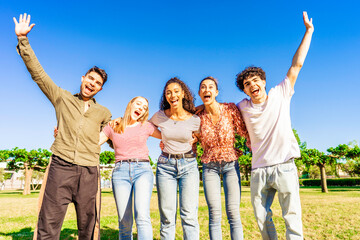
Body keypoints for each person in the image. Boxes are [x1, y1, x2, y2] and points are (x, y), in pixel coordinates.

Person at [14, 14, 112, 240]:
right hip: (61, 165)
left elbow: (114, 139)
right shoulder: (62, 98)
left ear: (100, 89)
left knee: (89, 227)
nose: (92, 84)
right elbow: (38, 75)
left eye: (97, 83)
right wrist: (23, 40)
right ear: (83, 77)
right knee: (49, 223)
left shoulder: (104, 113)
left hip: (89, 170)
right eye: (90, 79)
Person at [236, 12, 314, 240]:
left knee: (292, 215)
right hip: (259, 168)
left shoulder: (280, 93)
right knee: (261, 216)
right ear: (244, 90)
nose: (252, 85)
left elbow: (297, 64)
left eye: (255, 81)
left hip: (285, 166)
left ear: (264, 81)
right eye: (247, 84)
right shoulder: (242, 106)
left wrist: (308, 31)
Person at [99, 96, 161, 240]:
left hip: (143, 170)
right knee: (124, 220)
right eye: (138, 104)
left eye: (144, 107)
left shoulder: (146, 126)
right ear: (130, 104)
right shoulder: (113, 125)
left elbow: (168, 135)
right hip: (120, 172)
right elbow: (93, 142)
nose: (141, 108)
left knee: (142, 215)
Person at [197, 76, 250, 240]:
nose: (207, 90)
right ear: (200, 93)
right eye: (203, 87)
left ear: (216, 91)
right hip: (209, 167)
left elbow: (245, 132)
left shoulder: (230, 109)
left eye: (210, 87)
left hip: (231, 165)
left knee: (233, 212)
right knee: (214, 213)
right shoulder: (197, 116)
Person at [150, 77, 200, 240]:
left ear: (183, 94)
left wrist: (196, 139)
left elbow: (198, 137)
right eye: (168, 93)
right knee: (167, 216)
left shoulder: (194, 119)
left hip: (189, 166)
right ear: (165, 96)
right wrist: (162, 138)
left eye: (176, 91)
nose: (172, 95)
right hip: (165, 167)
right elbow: (146, 128)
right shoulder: (160, 116)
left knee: (189, 216)